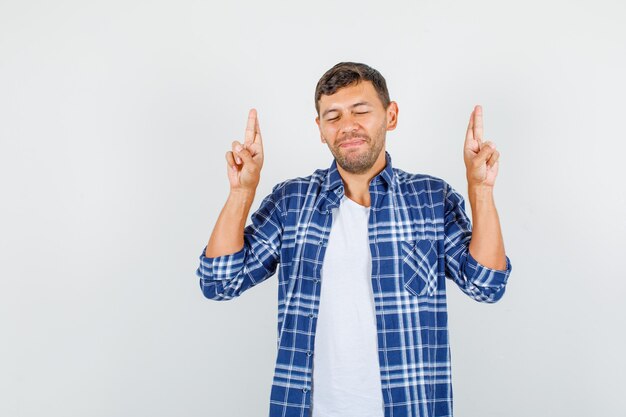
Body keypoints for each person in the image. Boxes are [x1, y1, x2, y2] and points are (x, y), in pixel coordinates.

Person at [196, 62, 512, 417]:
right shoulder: (292, 201)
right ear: (320, 129)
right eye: (333, 117)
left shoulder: (431, 198)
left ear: (390, 116)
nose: (347, 126)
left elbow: (486, 285)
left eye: (361, 111)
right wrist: (242, 191)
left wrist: (480, 189)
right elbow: (219, 282)